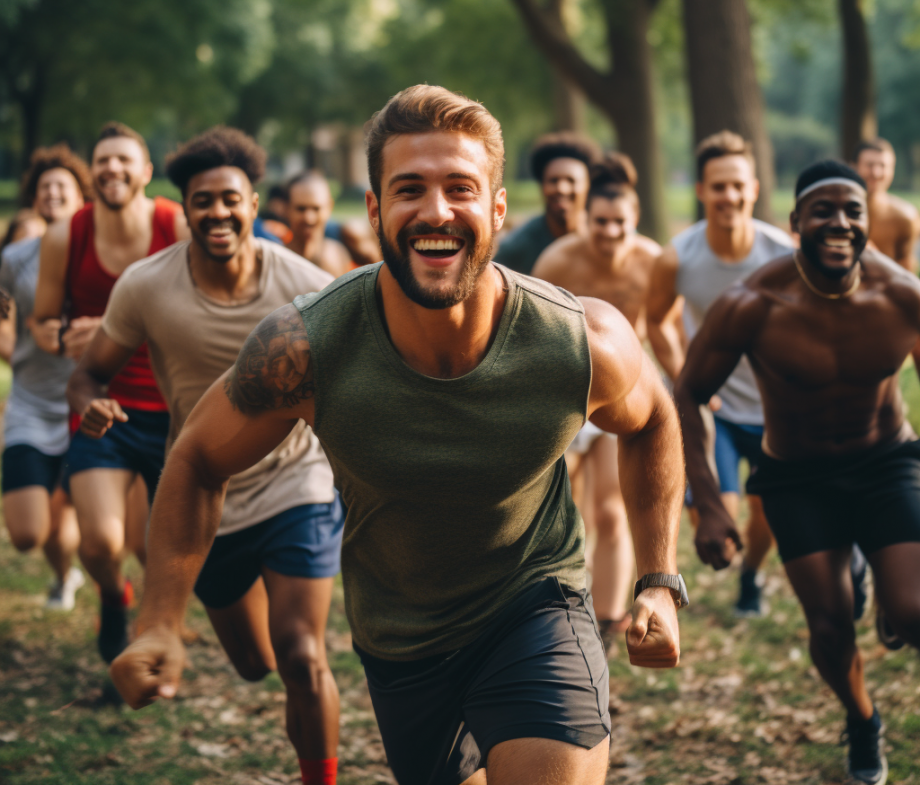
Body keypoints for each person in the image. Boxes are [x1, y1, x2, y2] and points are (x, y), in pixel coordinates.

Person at [111, 85, 687, 785]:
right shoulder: (305, 349)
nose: (436, 212)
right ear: (376, 210)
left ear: (498, 209)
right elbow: (198, 458)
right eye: (409, 189)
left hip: (535, 606)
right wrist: (162, 621)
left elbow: (653, 415)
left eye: (461, 188)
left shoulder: (577, 339)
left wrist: (657, 580)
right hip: (402, 640)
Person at [68, 126, 341, 785]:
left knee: (303, 656)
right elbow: (88, 371)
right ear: (183, 209)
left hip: (295, 483)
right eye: (202, 202)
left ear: (253, 203)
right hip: (202, 491)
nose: (217, 213)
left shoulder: (306, 287)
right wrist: (89, 400)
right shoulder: (145, 286)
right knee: (255, 663)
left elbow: (363, 375)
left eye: (230, 199)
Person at [674, 160, 920, 785]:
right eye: (823, 211)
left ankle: (893, 593)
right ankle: (863, 720)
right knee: (832, 626)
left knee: (913, 609)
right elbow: (685, 394)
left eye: (853, 212)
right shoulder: (751, 305)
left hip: (887, 462)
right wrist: (709, 502)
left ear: (867, 223)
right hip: (798, 479)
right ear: (795, 223)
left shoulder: (901, 297)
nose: (840, 223)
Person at [32, 120, 188, 663]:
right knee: (99, 543)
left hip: (168, 410)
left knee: (149, 547)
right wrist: (60, 337)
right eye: (102, 160)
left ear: (147, 172)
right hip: (98, 404)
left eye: (124, 160)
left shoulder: (176, 224)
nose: (112, 169)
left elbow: (203, 306)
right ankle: (111, 594)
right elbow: (43, 322)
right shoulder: (65, 235)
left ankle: (155, 631)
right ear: (91, 171)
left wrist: (117, 326)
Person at [532, 153, 683, 652]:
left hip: (628, 391)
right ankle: (552, 603)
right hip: (566, 390)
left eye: (620, 222)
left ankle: (611, 618)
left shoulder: (653, 259)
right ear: (585, 219)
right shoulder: (558, 260)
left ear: (634, 218)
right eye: (601, 222)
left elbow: (667, 326)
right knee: (563, 510)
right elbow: (534, 333)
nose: (611, 232)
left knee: (612, 512)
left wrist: (684, 383)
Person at [647, 130, 793, 616]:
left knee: (766, 515)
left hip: (771, 407)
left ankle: (752, 577)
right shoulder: (678, 257)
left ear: (753, 188)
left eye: (737, 186)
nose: (728, 196)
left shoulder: (781, 255)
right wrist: (687, 378)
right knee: (720, 526)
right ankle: (733, 562)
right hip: (712, 407)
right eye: (718, 186)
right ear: (701, 192)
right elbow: (657, 321)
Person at [0, 145, 92, 609]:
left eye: (63, 187)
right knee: (26, 533)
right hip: (31, 406)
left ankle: (68, 577)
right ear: (35, 199)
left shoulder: (100, 253)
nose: (52, 194)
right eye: (44, 188)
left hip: (87, 407)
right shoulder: (16, 257)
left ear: (81, 197)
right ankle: (65, 574)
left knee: (64, 527)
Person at [492, 131, 600, 274]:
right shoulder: (519, 245)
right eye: (553, 181)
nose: (561, 189)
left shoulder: (606, 232)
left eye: (571, 180)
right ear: (542, 186)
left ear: (588, 185)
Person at [853, 138, 919, 270]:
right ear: (854, 166)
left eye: (883, 166)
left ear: (892, 170)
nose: (876, 173)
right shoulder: (835, 212)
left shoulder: (906, 217)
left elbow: (906, 275)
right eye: (870, 165)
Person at [286, 171, 353, 277]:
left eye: (316, 209)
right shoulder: (278, 259)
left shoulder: (338, 254)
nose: (309, 219)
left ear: (329, 207)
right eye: (301, 209)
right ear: (287, 209)